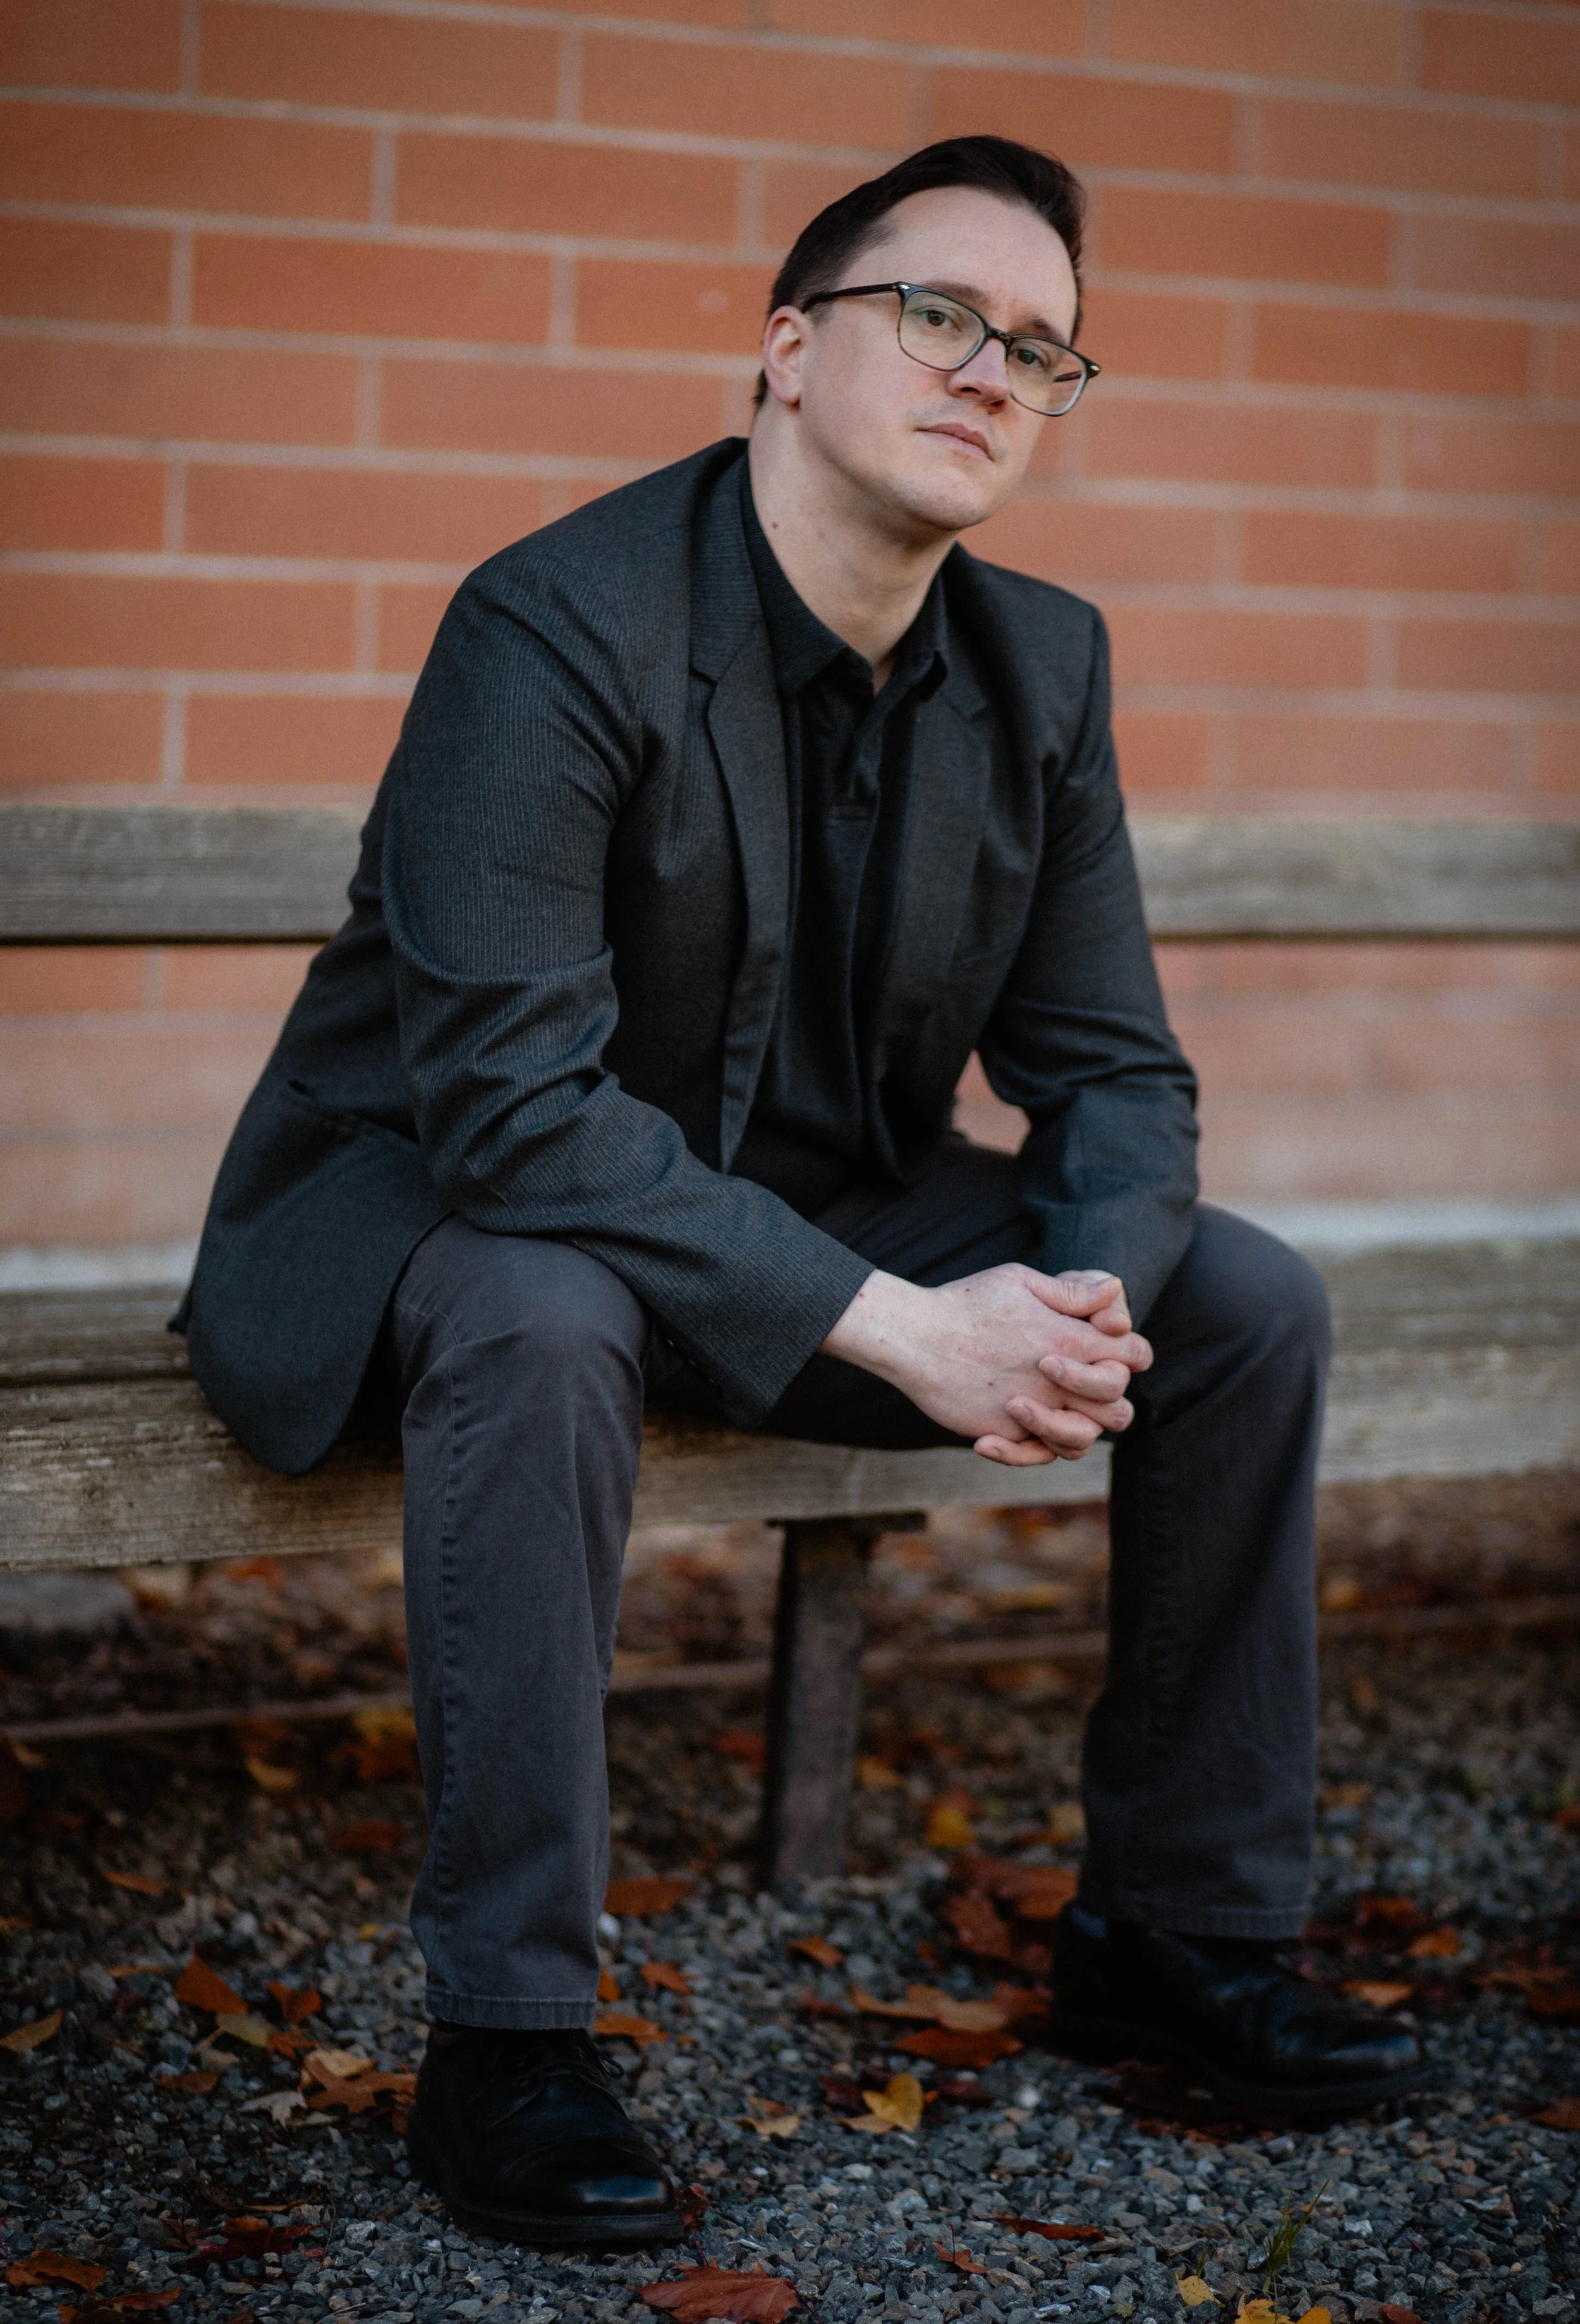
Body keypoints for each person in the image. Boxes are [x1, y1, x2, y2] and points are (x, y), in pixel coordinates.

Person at [179, 135, 1424, 2250]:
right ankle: (508, 2036)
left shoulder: (1045, 669)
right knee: (541, 1305)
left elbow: (1109, 1072)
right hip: (448, 1214)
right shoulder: (555, 625)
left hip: (826, 1220)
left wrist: (1075, 1307)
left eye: (1038, 348)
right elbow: (508, 1113)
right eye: (934, 313)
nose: (987, 370)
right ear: (783, 349)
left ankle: (1178, 1931)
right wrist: (901, 1325)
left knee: (1243, 1300)